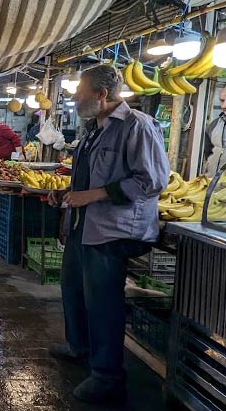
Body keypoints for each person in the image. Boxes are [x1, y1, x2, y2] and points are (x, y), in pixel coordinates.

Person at [46, 64, 168, 405]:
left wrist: (93, 195)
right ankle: (78, 346)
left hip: (114, 229)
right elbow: (86, 177)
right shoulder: (93, 130)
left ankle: (107, 376)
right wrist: (68, 193)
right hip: (82, 224)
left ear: (101, 94)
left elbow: (153, 180)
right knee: (72, 289)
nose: (74, 99)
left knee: (103, 303)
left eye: (79, 94)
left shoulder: (138, 127)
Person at [204, 87, 226, 176]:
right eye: (222, 100)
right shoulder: (214, 125)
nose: (223, 106)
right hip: (212, 182)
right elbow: (208, 152)